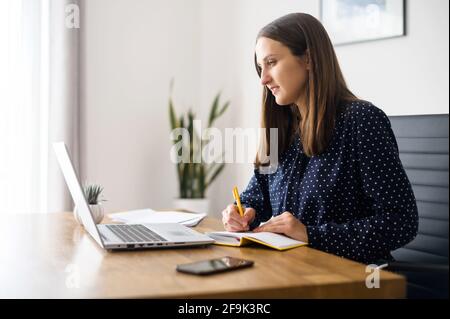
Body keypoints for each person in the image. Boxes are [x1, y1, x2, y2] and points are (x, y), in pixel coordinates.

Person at [221, 13, 418, 264]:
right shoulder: (283, 127)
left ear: (309, 59)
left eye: (272, 62)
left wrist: (311, 235)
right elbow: (256, 197)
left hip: (352, 277)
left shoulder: (362, 120)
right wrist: (241, 213)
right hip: (291, 270)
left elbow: (401, 221)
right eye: (261, 67)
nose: (263, 78)